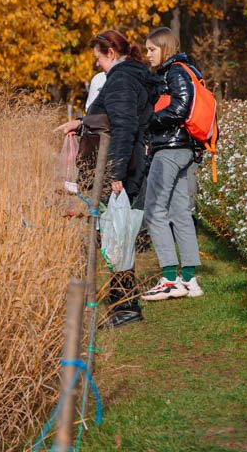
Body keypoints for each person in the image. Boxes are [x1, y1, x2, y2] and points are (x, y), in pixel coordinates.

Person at [58, 30, 159, 327]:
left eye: (98, 59)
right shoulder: (131, 77)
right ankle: (122, 306)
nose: (97, 65)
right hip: (130, 166)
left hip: (124, 170)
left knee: (118, 235)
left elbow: (124, 126)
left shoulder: (121, 81)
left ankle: (127, 308)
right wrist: (82, 122)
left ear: (111, 54)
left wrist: (114, 173)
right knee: (117, 234)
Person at [140, 26, 205, 301]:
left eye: (152, 49)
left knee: (154, 210)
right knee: (180, 212)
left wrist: (148, 121)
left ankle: (169, 279)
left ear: (165, 48)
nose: (147, 55)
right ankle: (189, 280)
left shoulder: (175, 71)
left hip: (170, 147)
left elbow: (180, 107)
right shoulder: (188, 70)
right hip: (185, 148)